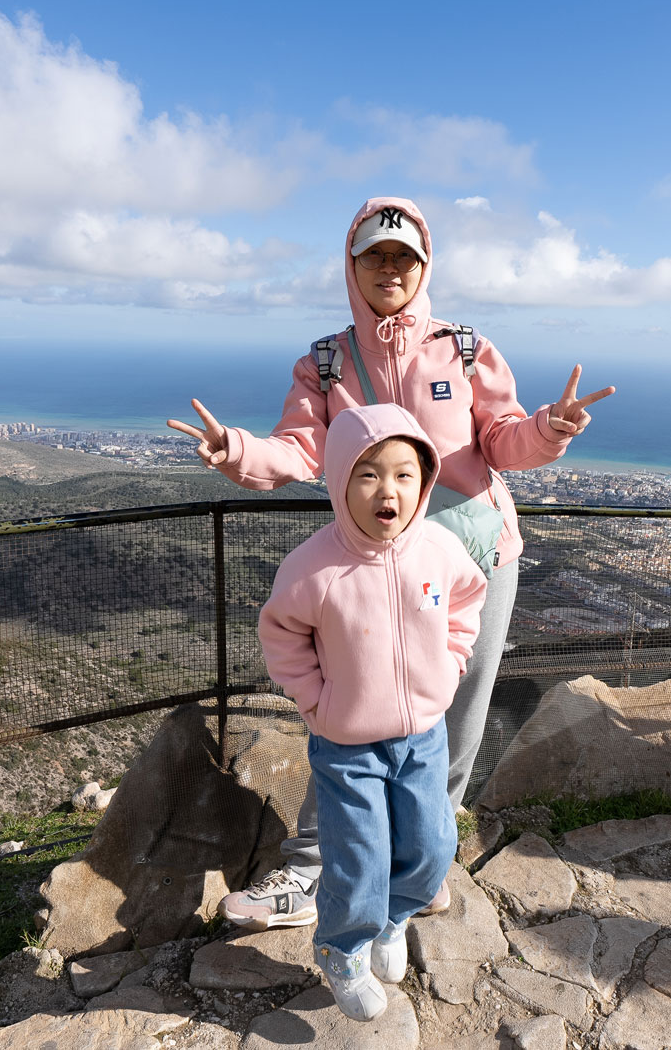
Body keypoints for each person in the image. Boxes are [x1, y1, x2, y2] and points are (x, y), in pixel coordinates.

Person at [168, 196, 613, 929]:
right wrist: (238, 451)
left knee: (455, 718)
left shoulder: (463, 348)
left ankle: (420, 866)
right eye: (374, 255)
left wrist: (547, 429)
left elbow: (501, 439)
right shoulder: (327, 362)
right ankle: (316, 869)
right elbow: (300, 449)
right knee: (352, 715)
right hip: (374, 563)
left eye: (402, 256)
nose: (388, 268)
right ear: (351, 265)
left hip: (472, 556)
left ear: (423, 265)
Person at [258, 403, 486, 1020]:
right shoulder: (314, 566)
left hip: (424, 734)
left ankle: (393, 918)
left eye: (404, 474)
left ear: (424, 482)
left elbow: (468, 598)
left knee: (434, 844)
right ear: (338, 482)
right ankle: (342, 948)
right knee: (358, 853)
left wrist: (453, 660)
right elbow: (281, 634)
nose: (388, 490)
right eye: (368, 474)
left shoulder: (438, 548)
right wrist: (315, 700)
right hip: (347, 743)